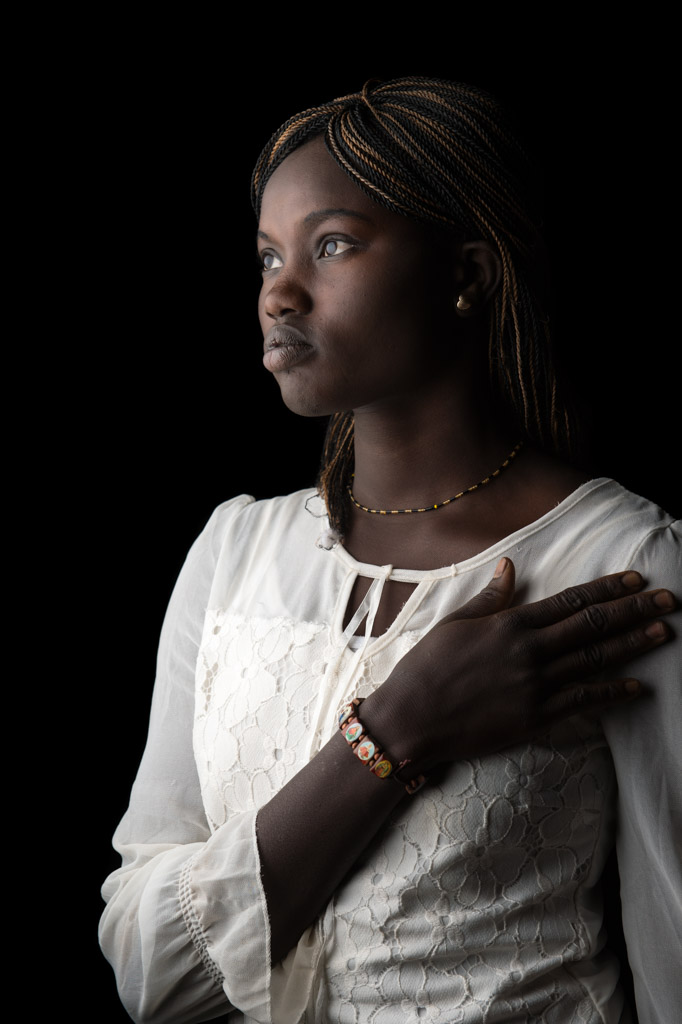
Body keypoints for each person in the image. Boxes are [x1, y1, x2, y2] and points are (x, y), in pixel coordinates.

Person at [99, 77, 681, 1023]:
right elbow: (149, 971)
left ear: (468, 272)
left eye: (332, 245)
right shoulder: (234, 553)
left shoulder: (618, 561)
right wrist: (398, 728)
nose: (279, 292)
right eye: (267, 256)